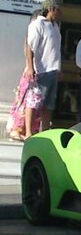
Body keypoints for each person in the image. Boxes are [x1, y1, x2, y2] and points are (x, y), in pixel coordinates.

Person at [24, 0, 63, 138]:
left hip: (53, 70)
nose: (60, 13)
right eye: (58, 9)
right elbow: (30, 46)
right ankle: (28, 131)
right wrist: (30, 67)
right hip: (40, 70)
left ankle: (44, 132)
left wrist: (59, 68)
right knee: (33, 101)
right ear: (51, 9)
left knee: (49, 104)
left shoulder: (55, 26)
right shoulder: (37, 24)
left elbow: (56, 49)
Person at [6, 10, 43, 140]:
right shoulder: (33, 33)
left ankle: (30, 129)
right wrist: (31, 68)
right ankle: (19, 129)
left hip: (38, 71)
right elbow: (29, 52)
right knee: (26, 102)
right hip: (31, 72)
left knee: (34, 103)